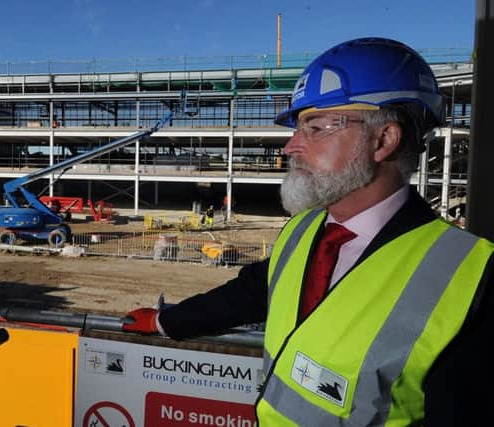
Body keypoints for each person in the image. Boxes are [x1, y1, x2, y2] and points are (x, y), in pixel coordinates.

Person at [121, 37, 494, 426]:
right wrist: (166, 321)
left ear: (384, 139)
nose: (290, 146)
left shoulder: (470, 279)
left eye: (314, 127)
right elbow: (252, 293)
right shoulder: (304, 228)